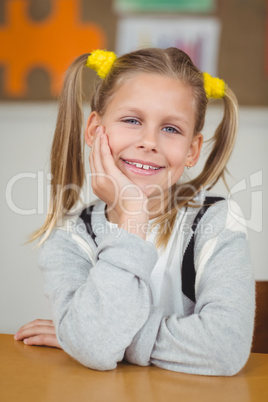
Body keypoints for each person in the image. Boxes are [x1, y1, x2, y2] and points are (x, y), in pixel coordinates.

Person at [14, 48, 255, 376]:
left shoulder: (214, 222)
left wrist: (101, 336)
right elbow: (96, 347)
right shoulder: (71, 238)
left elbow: (224, 348)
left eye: (171, 129)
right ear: (95, 129)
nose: (149, 141)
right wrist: (132, 218)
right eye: (132, 120)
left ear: (192, 150)